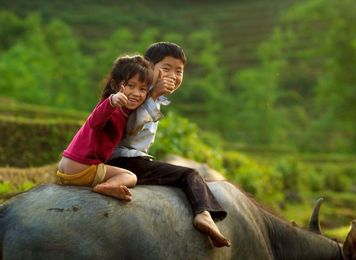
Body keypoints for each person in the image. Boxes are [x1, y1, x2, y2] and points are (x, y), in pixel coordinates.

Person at [107, 42, 231, 247]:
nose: (173, 75)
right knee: (190, 174)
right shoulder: (138, 94)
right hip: (124, 159)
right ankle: (203, 214)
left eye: (179, 71)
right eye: (166, 68)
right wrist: (152, 95)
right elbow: (130, 129)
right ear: (149, 68)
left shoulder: (150, 96)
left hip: (132, 158)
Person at [57, 54, 154, 202]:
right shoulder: (111, 106)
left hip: (67, 165)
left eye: (142, 89)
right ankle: (107, 186)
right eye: (130, 86)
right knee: (130, 177)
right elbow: (94, 121)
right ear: (116, 85)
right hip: (83, 167)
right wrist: (112, 101)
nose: (136, 93)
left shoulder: (125, 111)